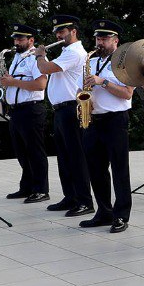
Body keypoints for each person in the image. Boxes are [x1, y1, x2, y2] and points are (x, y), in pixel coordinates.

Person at [34, 15, 93, 217]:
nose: (59, 35)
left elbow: (45, 68)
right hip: (61, 110)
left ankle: (85, 201)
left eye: (63, 31)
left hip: (71, 109)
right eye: (57, 32)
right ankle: (71, 197)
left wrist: (40, 55)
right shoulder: (65, 52)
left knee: (76, 158)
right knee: (64, 158)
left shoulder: (75, 52)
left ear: (73, 31)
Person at [79, 19, 133, 233]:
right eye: (97, 38)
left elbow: (127, 93)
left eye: (104, 38)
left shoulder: (123, 63)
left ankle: (121, 215)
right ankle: (104, 211)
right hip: (94, 120)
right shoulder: (91, 61)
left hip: (115, 120)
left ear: (115, 40)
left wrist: (103, 82)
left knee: (119, 169)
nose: (99, 42)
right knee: (96, 169)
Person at [0, 23, 49, 203]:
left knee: (35, 151)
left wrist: (13, 83)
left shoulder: (36, 58)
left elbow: (41, 84)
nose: (16, 42)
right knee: (21, 151)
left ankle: (41, 189)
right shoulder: (17, 58)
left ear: (31, 40)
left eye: (20, 39)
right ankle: (26, 187)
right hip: (17, 110)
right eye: (15, 39)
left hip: (31, 109)